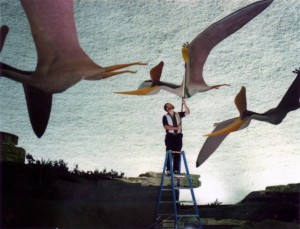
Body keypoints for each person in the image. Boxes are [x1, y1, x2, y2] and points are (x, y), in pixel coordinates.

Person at [162, 99, 190, 175]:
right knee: (169, 152)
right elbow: (166, 127)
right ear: (167, 108)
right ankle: (168, 170)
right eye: (169, 105)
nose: (171, 105)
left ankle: (176, 170)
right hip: (170, 137)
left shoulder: (178, 114)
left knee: (178, 152)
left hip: (178, 136)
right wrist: (176, 128)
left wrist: (184, 104)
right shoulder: (165, 117)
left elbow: (187, 112)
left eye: (170, 104)